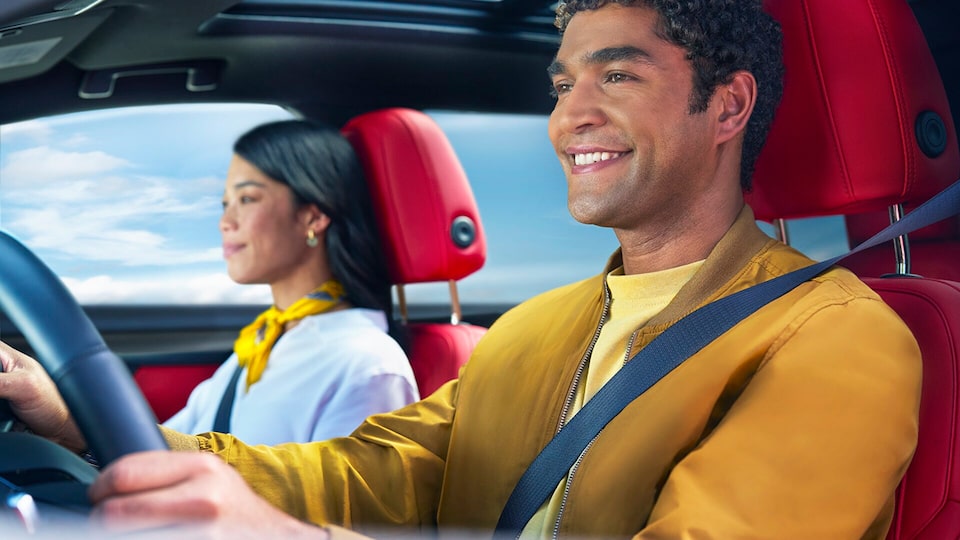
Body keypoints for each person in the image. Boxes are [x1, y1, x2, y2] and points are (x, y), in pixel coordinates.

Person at [0, 1, 921, 538]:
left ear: (728, 107)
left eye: (618, 77)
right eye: (563, 85)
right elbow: (354, 476)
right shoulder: (533, 330)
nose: (571, 119)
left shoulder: (840, 341)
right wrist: (84, 430)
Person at [158, 120, 418, 445]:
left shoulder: (366, 366)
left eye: (248, 199)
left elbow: (342, 496)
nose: (226, 222)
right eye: (225, 204)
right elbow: (161, 450)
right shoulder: (260, 344)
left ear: (312, 217)